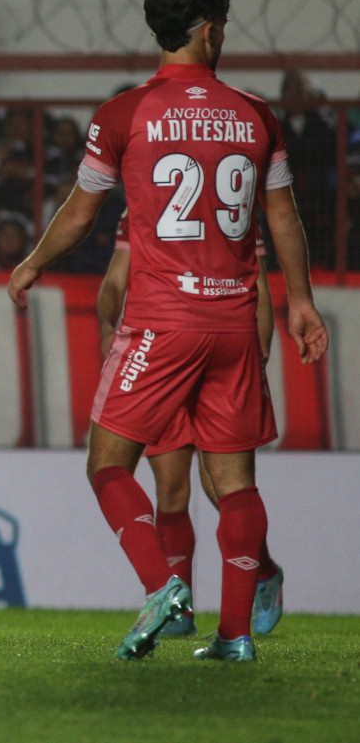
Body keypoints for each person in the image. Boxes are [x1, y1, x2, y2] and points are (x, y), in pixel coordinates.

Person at [7, 0, 329, 662]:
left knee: (107, 465)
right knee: (235, 483)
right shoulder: (255, 114)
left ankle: (164, 587)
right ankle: (235, 636)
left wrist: (34, 260)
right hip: (236, 321)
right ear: (209, 30)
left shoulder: (123, 115)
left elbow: (80, 215)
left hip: (162, 321)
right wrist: (300, 300)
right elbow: (283, 217)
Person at [97, 211, 286, 637]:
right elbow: (116, 277)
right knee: (171, 489)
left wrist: (260, 350)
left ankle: (264, 572)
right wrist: (106, 325)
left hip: (220, 351)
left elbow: (257, 284)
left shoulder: (232, 204)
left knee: (220, 488)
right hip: (163, 351)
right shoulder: (141, 207)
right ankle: (180, 614)